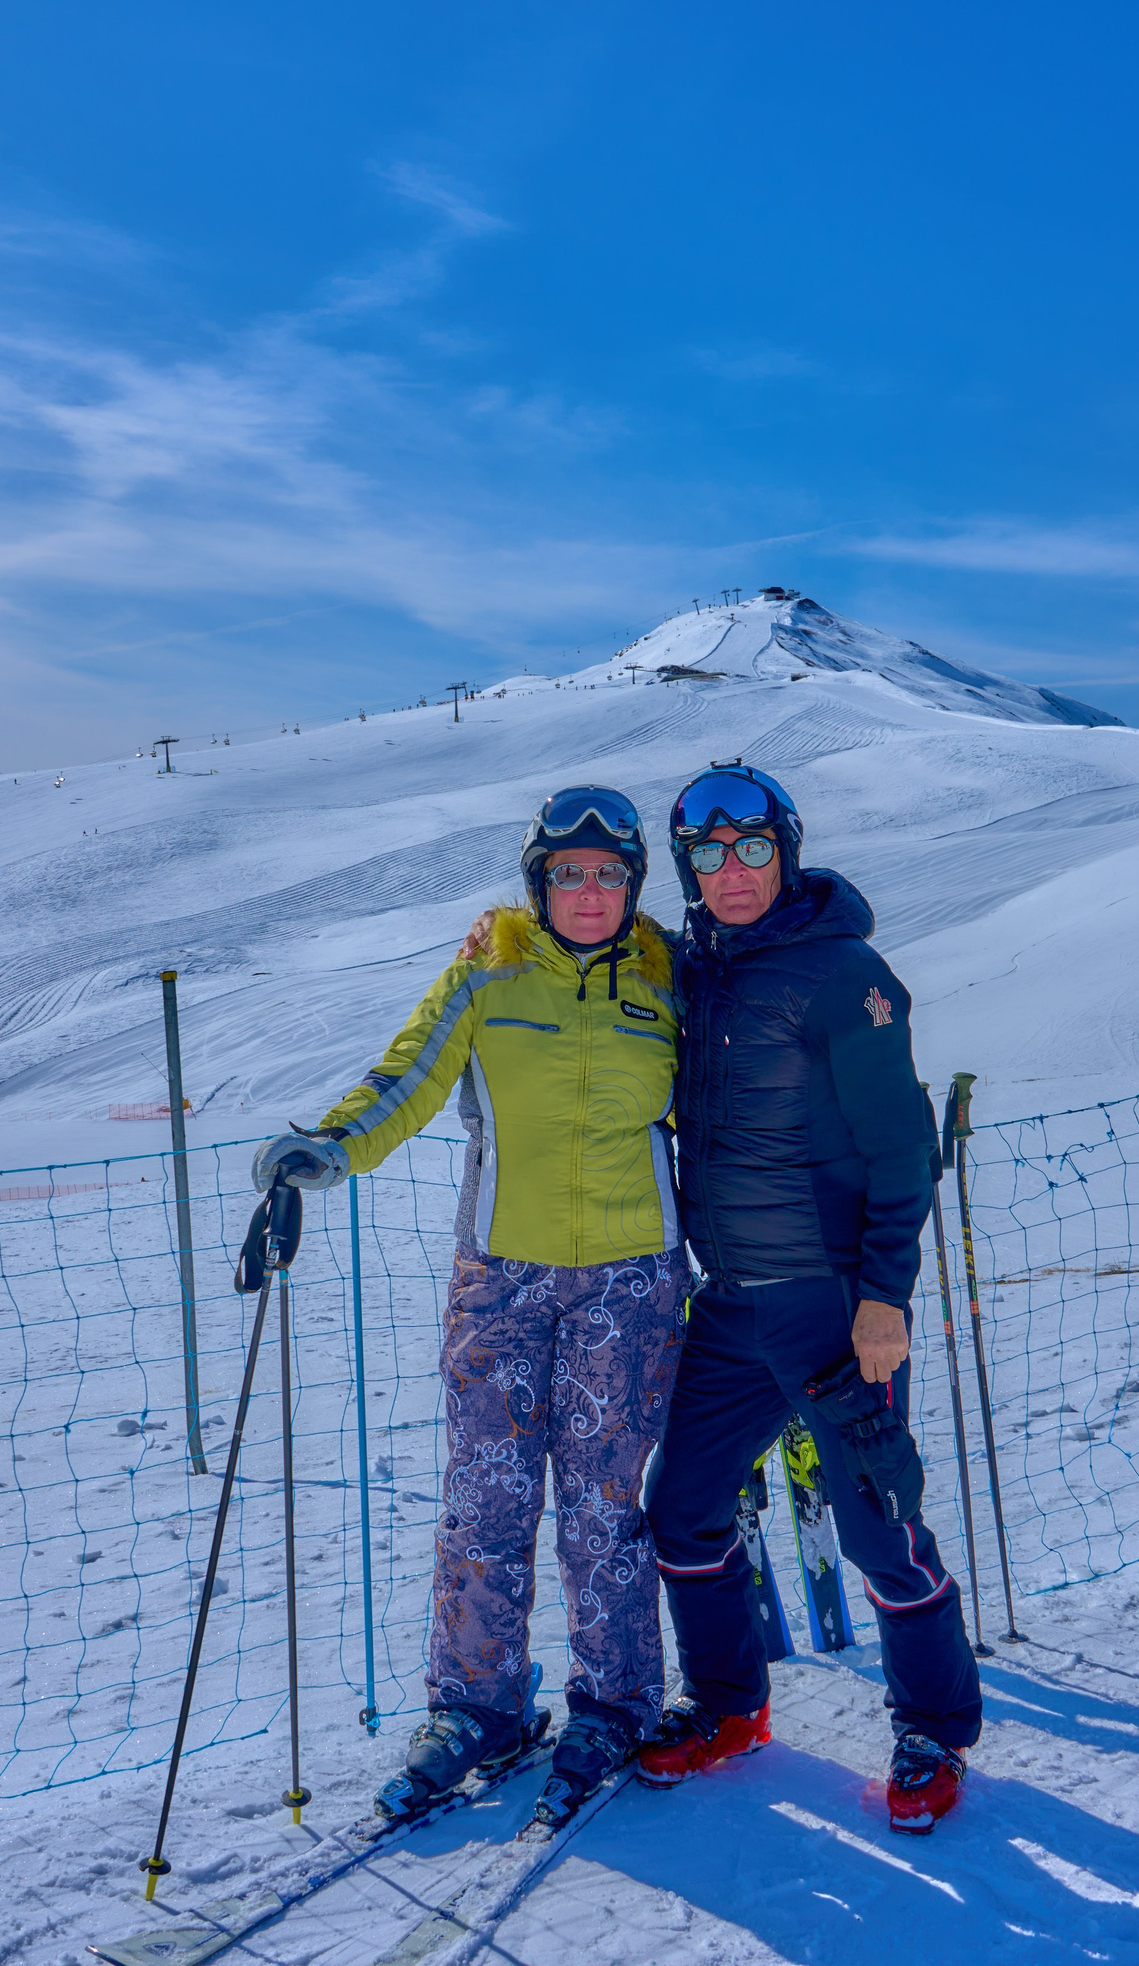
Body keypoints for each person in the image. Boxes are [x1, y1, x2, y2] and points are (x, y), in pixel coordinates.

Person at [254, 787, 686, 1830]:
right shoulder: (486, 973)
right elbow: (407, 1073)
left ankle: (615, 1701)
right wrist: (332, 1146)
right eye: (568, 872)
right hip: (501, 1275)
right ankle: (479, 1707)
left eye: (609, 872)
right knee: (485, 1502)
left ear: (634, 882)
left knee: (606, 1507)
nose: (590, 889)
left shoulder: (673, 980)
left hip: (631, 1282)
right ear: (539, 881)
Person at [636, 762, 984, 1832]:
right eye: (707, 854)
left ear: (783, 849)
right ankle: (732, 1707)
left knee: (880, 1526)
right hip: (731, 1303)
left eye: (750, 849)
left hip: (835, 1309)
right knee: (682, 1509)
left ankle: (931, 1726)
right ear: (688, 868)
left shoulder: (845, 972)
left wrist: (885, 1296)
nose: (731, 872)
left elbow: (901, 1146)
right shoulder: (698, 966)